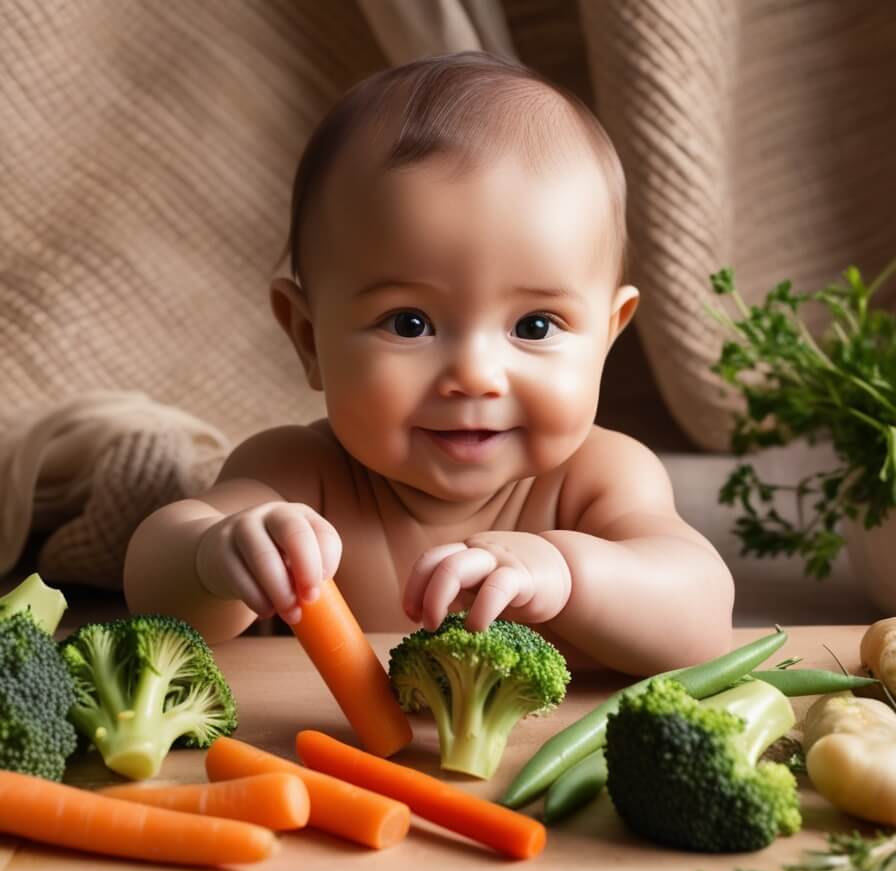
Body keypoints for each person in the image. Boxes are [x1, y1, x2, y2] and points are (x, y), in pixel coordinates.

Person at [124, 51, 734, 673]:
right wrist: (214, 556)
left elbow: (704, 616)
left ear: (606, 338)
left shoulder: (600, 479)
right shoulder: (297, 476)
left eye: (535, 325)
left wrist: (567, 575)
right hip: (333, 764)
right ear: (309, 338)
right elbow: (155, 588)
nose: (474, 375)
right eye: (409, 324)